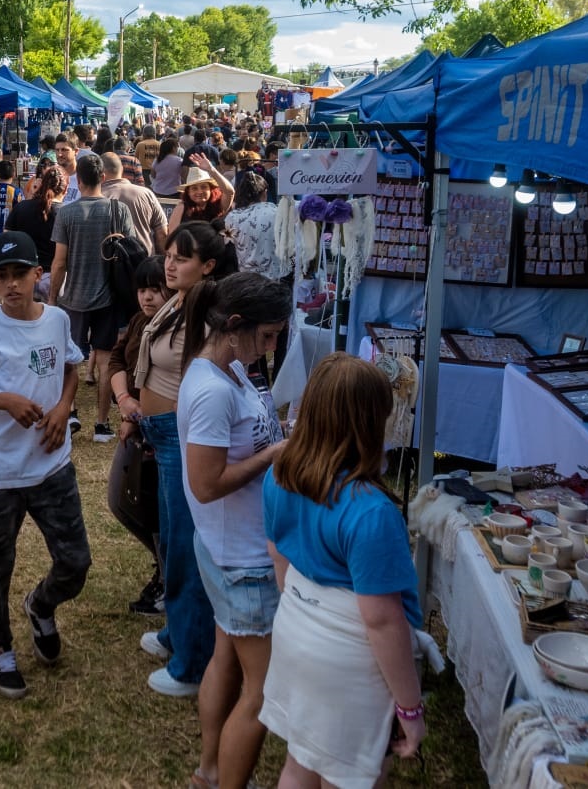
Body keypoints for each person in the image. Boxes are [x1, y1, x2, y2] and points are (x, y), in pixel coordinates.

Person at [260, 354, 426, 788]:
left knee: (301, 761)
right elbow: (382, 620)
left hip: (295, 627)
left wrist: (305, 610)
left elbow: (277, 554)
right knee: (348, 776)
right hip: (348, 658)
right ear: (369, 424)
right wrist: (410, 708)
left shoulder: (279, 475)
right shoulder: (372, 511)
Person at [0, 231, 90, 699]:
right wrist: (4, 400)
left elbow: (71, 367)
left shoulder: (57, 320)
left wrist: (64, 407)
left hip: (51, 464)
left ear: (37, 275)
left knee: (75, 561)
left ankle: (40, 605)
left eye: (20, 274)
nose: (11, 284)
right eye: (1, 275)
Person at [180, 273, 292, 789]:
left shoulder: (232, 370)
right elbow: (205, 485)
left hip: (237, 547)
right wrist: (272, 456)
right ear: (235, 326)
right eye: (267, 336)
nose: (271, 348)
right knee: (262, 692)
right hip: (241, 559)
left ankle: (210, 770)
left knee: (226, 659)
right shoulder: (211, 391)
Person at [128, 222, 237, 698]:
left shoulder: (208, 312)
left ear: (208, 266)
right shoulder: (180, 300)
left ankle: (193, 663)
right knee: (173, 541)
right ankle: (178, 633)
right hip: (164, 433)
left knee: (187, 547)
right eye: (169, 255)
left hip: (181, 435)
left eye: (182, 258)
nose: (169, 265)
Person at [48, 156, 136, 439]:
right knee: (106, 361)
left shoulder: (67, 213)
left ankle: (71, 411)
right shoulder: (118, 210)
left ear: (79, 180)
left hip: (74, 297)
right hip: (109, 297)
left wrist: (52, 297)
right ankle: (101, 423)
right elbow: (131, 251)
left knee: (70, 358)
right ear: (104, 178)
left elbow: (59, 263)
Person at [107, 256, 172, 616]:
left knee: (152, 509)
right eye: (142, 290)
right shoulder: (139, 322)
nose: (147, 297)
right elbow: (117, 360)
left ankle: (166, 578)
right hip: (135, 427)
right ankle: (164, 569)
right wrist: (124, 401)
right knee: (123, 501)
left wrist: (137, 414)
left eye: (155, 290)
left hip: (159, 433)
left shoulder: (174, 331)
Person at [7, 164, 65, 300]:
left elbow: (7, 241)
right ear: (66, 189)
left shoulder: (21, 208)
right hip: (54, 278)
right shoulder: (66, 213)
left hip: (24, 275)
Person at [101, 151, 167, 256]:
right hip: (144, 259)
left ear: (100, 172)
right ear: (121, 169)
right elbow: (162, 233)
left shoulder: (98, 197)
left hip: (108, 261)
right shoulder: (146, 194)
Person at [224, 172, 278, 277]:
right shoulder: (275, 211)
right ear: (265, 192)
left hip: (246, 277)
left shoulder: (232, 217)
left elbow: (229, 243)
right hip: (275, 276)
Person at [167, 157, 235, 236]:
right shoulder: (182, 207)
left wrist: (211, 170)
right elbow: (172, 236)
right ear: (188, 192)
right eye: (194, 188)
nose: (199, 191)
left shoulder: (219, 204)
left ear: (211, 189)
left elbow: (230, 192)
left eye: (204, 187)